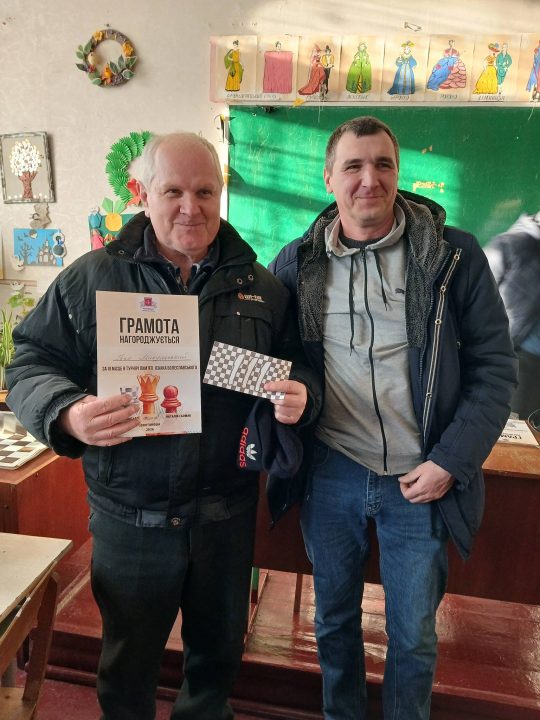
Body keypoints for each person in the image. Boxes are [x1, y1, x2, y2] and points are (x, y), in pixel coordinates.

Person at [6, 132, 319, 720]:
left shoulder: (261, 287)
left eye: (205, 192)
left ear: (220, 194)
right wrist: (67, 412)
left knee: (217, 665)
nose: (190, 207)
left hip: (225, 519)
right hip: (130, 518)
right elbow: (28, 364)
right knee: (126, 670)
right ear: (142, 193)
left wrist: (303, 392)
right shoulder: (91, 278)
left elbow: (298, 365)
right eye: (173, 191)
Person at [269, 116, 517, 720]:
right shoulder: (296, 263)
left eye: (383, 164)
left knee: (413, 637)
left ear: (399, 172)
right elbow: (283, 359)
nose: (369, 179)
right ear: (328, 178)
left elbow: (495, 370)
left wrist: (450, 462)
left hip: (420, 479)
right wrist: (294, 391)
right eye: (353, 165)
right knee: (333, 624)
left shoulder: (453, 257)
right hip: (331, 472)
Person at [484, 211, 540, 419]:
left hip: (527, 355)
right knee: (517, 424)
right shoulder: (511, 243)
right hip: (519, 356)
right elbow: (478, 295)